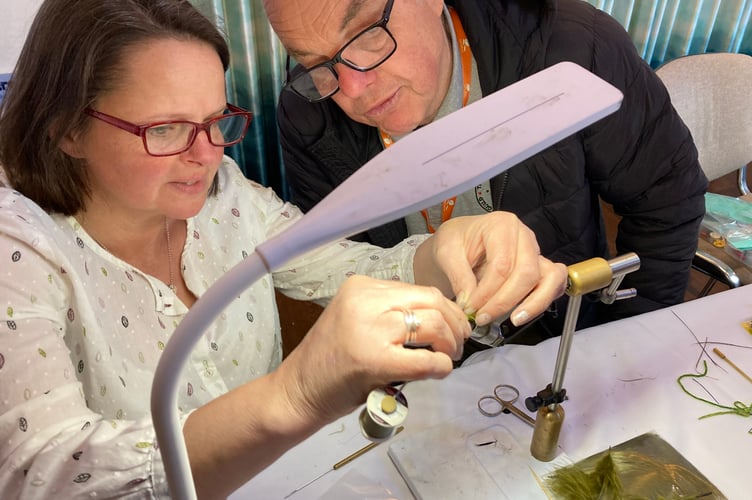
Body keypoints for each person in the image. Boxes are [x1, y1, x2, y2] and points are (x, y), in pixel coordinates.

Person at [0, 0, 567, 498]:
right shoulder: (19, 249)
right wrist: (293, 395)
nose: (205, 155)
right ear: (66, 129)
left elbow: (345, 265)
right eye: (166, 129)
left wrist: (451, 248)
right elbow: (38, 475)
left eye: (216, 120)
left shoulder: (224, 195)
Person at [265, 0, 709, 337]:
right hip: (423, 364)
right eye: (314, 64)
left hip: (564, 336)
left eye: (367, 34)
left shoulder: (573, 49)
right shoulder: (310, 115)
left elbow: (667, 196)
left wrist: (626, 338)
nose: (353, 88)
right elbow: (349, 270)